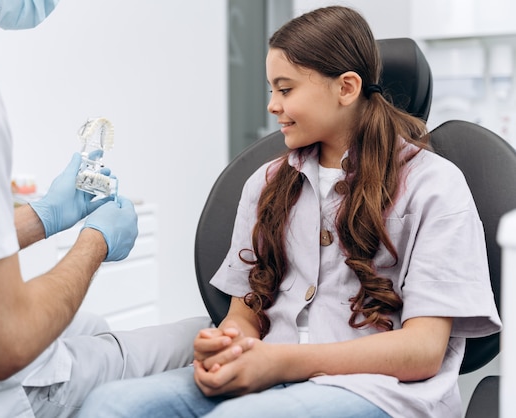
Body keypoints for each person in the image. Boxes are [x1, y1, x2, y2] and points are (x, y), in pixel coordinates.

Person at [78, 6, 502, 418]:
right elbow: (244, 313)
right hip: (270, 376)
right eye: (271, 91)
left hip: (379, 390)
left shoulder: (434, 186)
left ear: (347, 88)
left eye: (286, 89)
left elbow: (423, 352)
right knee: (110, 405)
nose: (272, 105)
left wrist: (279, 363)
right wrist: (231, 346)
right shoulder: (267, 183)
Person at [0, 1, 210, 417]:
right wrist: (96, 241)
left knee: (94, 327)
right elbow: (8, 344)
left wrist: (43, 215)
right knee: (200, 333)